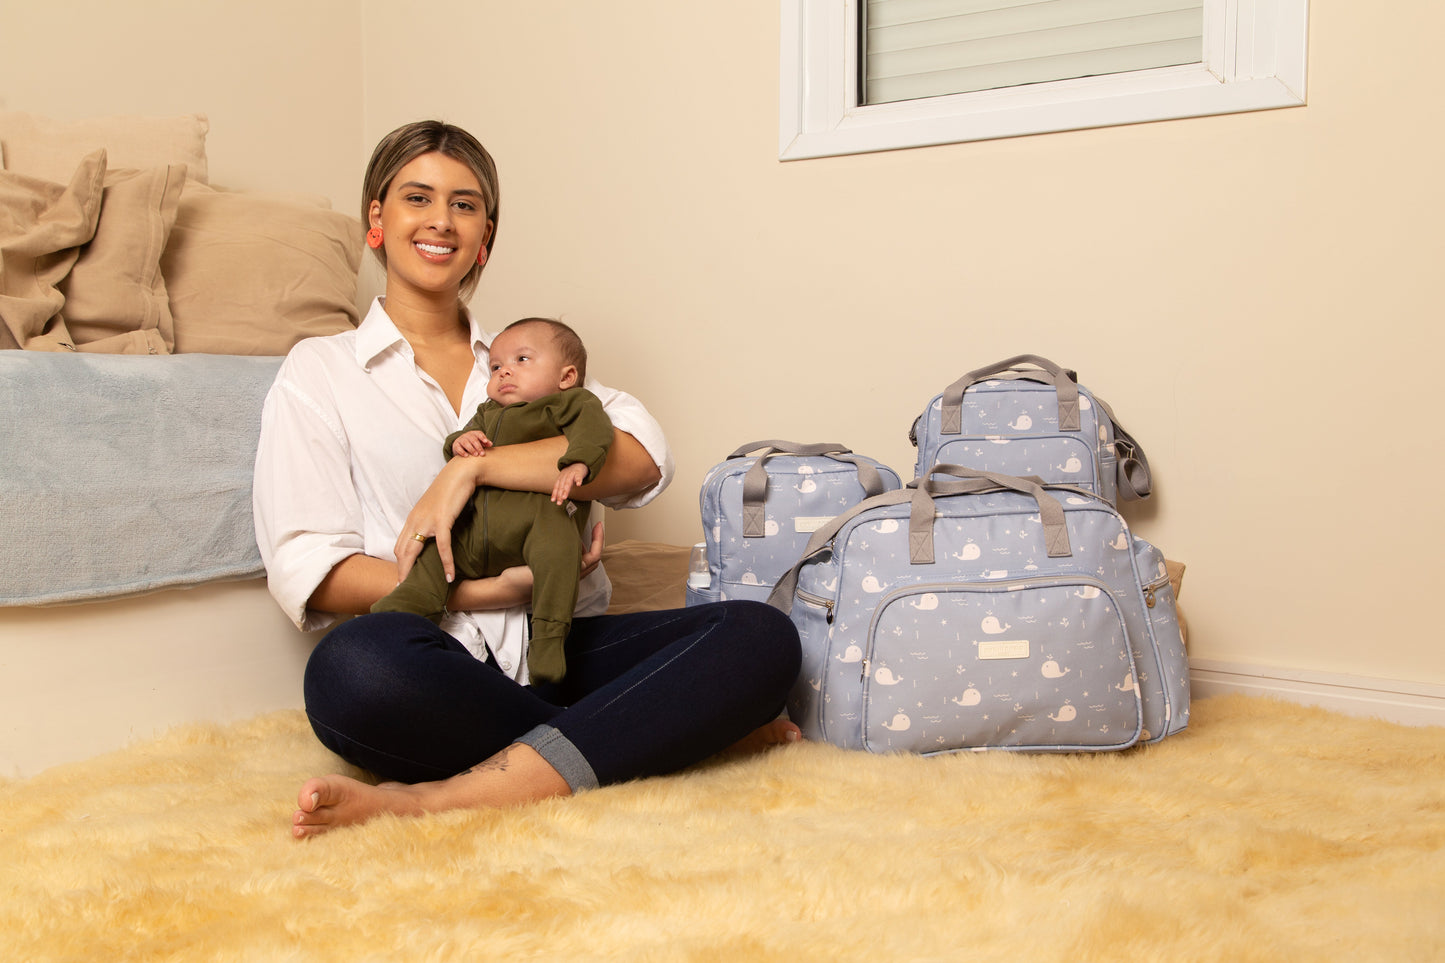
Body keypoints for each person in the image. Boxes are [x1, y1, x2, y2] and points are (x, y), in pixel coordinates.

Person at [252, 120, 801, 839]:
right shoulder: (319, 371)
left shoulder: (525, 358)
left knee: (760, 634)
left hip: (562, 647)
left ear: (486, 238)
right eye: (417, 198)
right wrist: (492, 589)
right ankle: (656, 734)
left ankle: (444, 798)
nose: (441, 221)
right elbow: (310, 568)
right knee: (351, 671)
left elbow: (639, 459)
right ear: (376, 221)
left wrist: (472, 466)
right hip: (434, 660)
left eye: (466, 204)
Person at [371, 316, 612, 685]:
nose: (503, 373)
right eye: (496, 366)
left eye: (522, 360)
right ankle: (415, 600)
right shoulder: (488, 412)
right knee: (438, 545)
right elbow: (463, 436)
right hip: (479, 531)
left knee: (558, 548)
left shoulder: (571, 403)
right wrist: (457, 443)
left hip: (538, 522)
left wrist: (579, 462)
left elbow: (595, 431)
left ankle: (548, 639)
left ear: (565, 377)